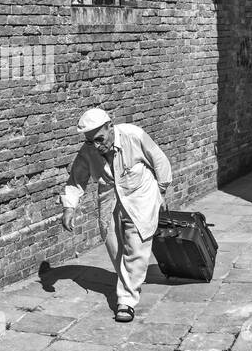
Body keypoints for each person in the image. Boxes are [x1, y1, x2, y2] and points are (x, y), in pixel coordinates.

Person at [59, 107, 172, 322]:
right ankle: (128, 283)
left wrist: (162, 191)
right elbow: (77, 179)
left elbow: (160, 160)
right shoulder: (89, 149)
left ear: (111, 126)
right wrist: (69, 207)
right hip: (109, 201)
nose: (97, 146)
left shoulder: (133, 135)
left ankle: (126, 301)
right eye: (91, 141)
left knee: (135, 248)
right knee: (113, 246)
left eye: (100, 139)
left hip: (139, 198)